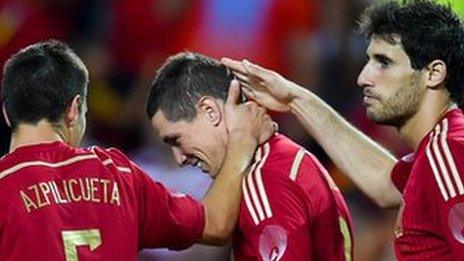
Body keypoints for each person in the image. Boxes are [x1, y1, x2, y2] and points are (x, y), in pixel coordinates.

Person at [222, 0, 464, 259]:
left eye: (383, 62)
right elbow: (384, 182)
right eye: (369, 60)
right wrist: (295, 99)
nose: (363, 78)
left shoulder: (448, 152)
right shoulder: (438, 151)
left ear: (434, 73)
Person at [0, 40, 275, 260]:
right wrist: (241, 141)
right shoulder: (116, 173)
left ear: (6, 113)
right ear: (74, 110)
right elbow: (216, 224)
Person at [146, 52, 353, 261]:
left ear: (210, 111)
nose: (179, 159)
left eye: (177, 140)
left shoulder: (264, 179)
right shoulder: (283, 158)